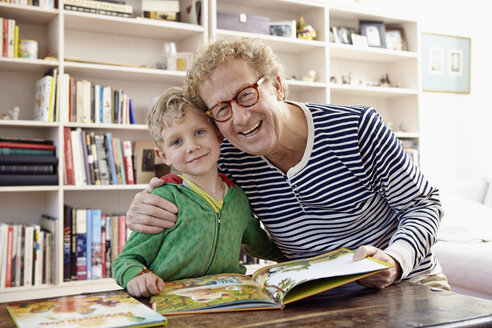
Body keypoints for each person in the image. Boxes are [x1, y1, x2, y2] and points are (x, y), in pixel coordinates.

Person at [126, 37, 450, 291]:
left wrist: (395, 261)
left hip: (408, 284)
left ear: (277, 86)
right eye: (221, 109)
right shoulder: (230, 157)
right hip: (315, 299)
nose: (239, 118)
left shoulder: (358, 127)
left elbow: (423, 205)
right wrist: (147, 203)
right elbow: (192, 193)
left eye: (246, 95)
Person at [112, 87, 287, 297]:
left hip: (228, 303)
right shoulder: (164, 198)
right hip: (171, 305)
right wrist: (138, 277)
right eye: (177, 142)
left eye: (199, 132)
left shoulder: (239, 197)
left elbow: (260, 245)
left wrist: (298, 260)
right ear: (164, 155)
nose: (192, 146)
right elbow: (126, 261)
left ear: (218, 136)